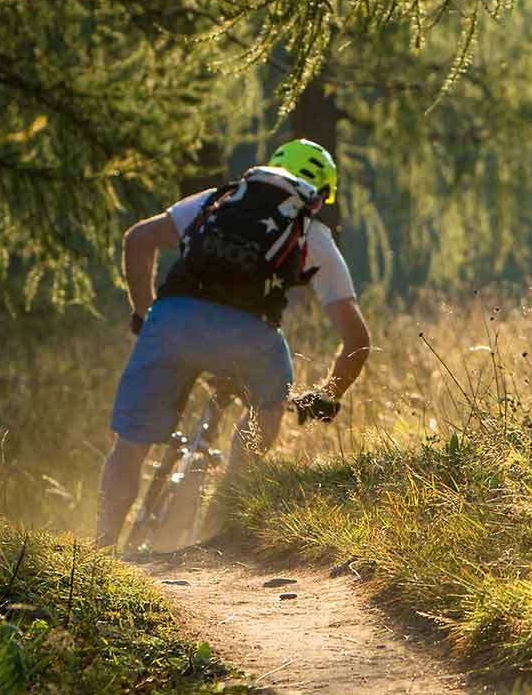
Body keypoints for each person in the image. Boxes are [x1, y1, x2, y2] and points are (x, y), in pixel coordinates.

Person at [95, 139, 371, 549]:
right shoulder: (311, 234)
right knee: (267, 404)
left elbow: (138, 239)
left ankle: (103, 544)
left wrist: (145, 314)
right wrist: (327, 395)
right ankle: (226, 514)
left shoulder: (218, 199)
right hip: (250, 339)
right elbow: (357, 340)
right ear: (320, 194)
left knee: (131, 443)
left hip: (172, 322)